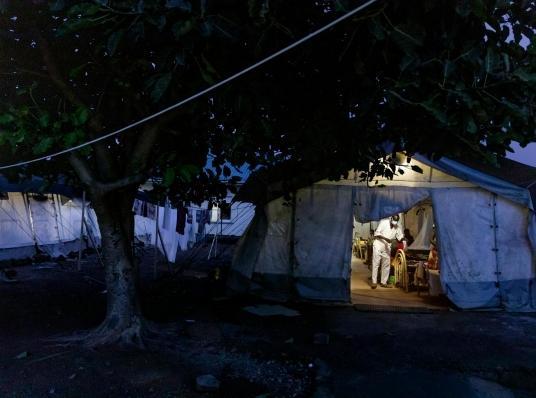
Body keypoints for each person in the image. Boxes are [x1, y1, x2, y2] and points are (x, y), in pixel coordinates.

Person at [371, 214, 404, 289]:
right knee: (376, 264)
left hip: (387, 248)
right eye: (394, 220)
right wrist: (386, 239)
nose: (394, 223)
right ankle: (374, 282)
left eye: (396, 221)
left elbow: (399, 238)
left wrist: (403, 239)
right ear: (391, 218)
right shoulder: (383, 222)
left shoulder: (397, 227)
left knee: (386, 265)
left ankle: (383, 282)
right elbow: (376, 234)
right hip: (378, 245)